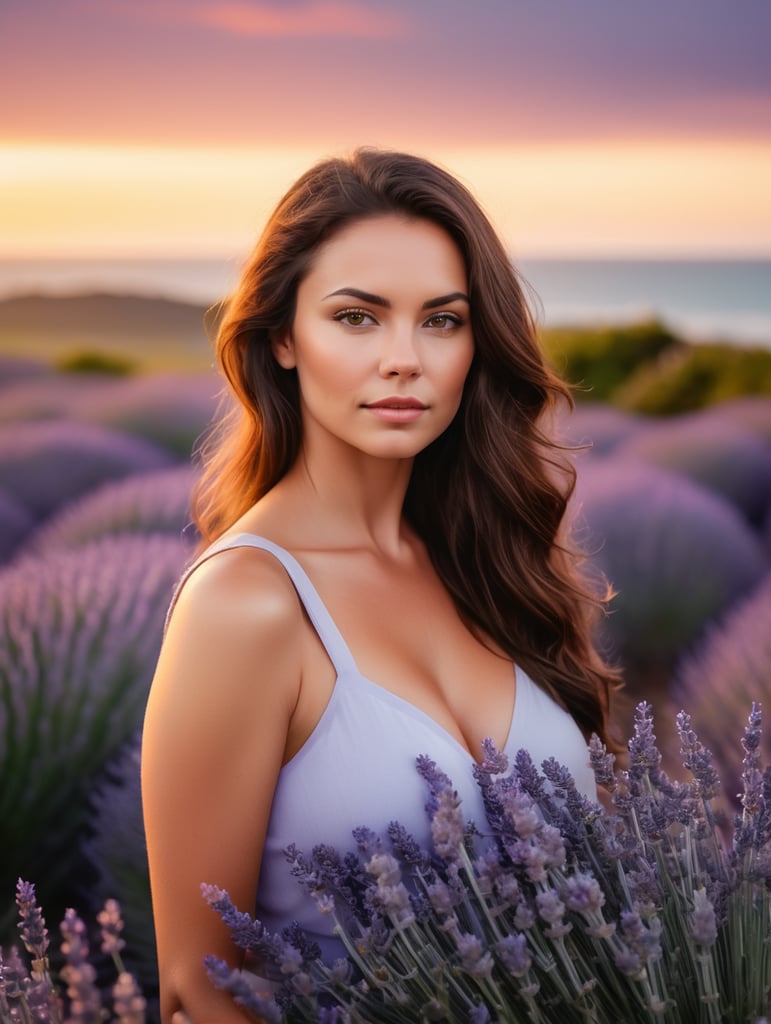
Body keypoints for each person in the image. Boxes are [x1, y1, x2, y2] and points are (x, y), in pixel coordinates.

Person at [141, 148, 619, 1024]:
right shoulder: (245, 607)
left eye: (441, 321)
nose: (405, 358)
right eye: (357, 318)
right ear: (282, 337)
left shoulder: (492, 562)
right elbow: (198, 992)